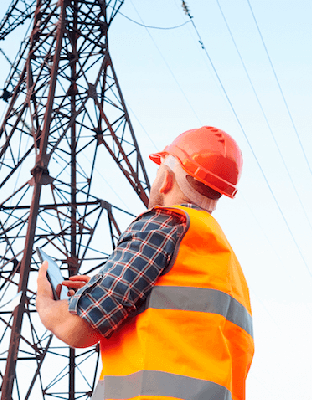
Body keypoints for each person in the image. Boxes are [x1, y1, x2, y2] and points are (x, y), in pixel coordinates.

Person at [36, 126, 254, 400]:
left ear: (166, 179)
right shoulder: (225, 262)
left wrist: (45, 302)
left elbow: (77, 329)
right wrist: (103, 289)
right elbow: (182, 335)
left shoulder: (164, 224)